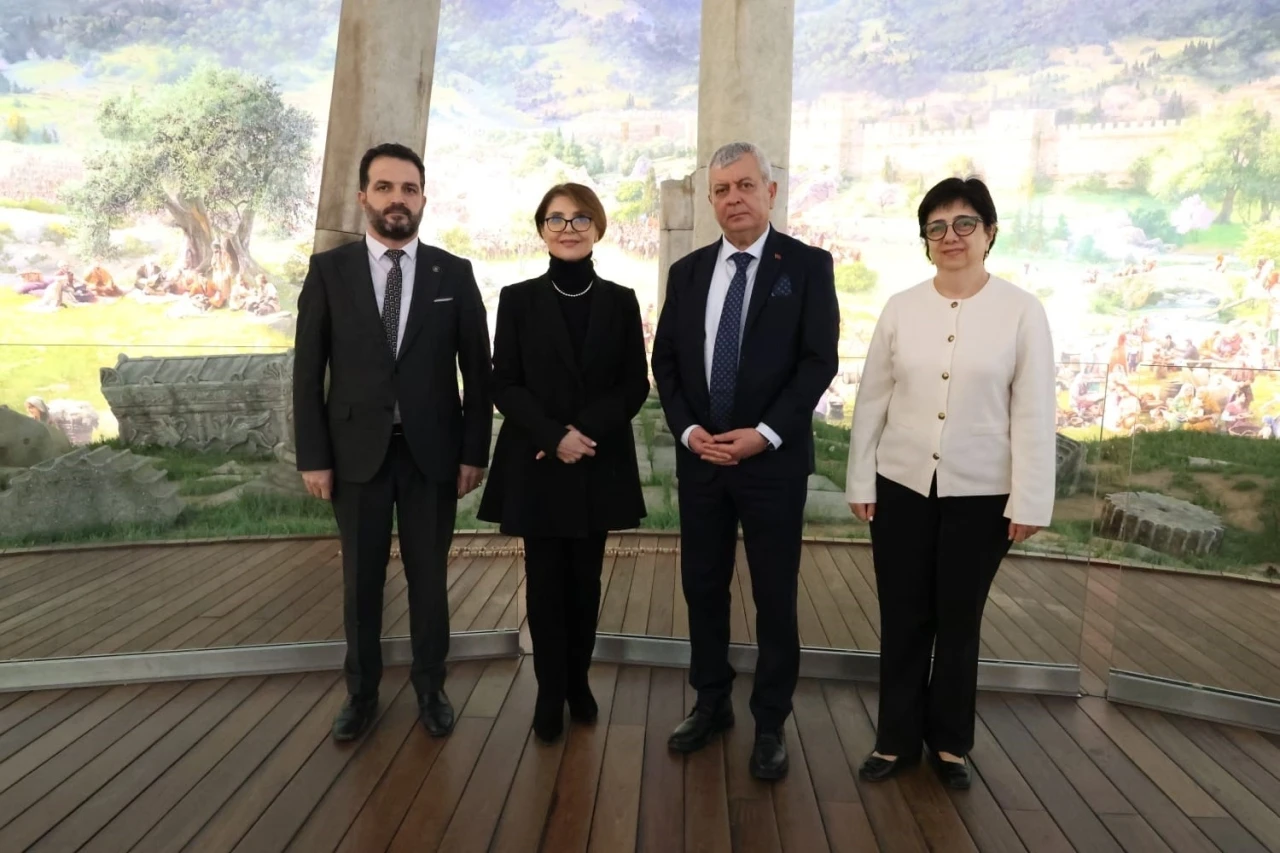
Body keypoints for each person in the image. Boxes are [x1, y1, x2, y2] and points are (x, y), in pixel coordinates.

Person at [845, 176, 1056, 789]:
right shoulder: (900, 307)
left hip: (983, 495)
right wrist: (861, 480)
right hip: (901, 486)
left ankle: (950, 744)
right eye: (936, 227)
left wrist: (1030, 498)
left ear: (990, 232)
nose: (951, 236)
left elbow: (1033, 411)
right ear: (925, 240)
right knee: (903, 616)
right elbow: (872, 400)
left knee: (959, 621)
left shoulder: (1022, 310)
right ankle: (894, 740)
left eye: (965, 223)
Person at [651, 141, 839, 781]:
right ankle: (710, 703)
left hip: (771, 465)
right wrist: (687, 430)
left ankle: (770, 722)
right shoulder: (688, 273)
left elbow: (818, 362)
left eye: (745, 185)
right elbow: (666, 363)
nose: (734, 198)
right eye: (722, 189)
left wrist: (765, 434)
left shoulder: (807, 267)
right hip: (702, 461)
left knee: (773, 594)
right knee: (702, 586)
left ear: (771, 192)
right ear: (711, 200)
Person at [293, 142, 492, 742]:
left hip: (433, 456)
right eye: (384, 187)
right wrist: (314, 457)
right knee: (361, 582)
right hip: (356, 457)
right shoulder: (329, 272)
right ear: (363, 198)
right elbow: (308, 372)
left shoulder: (453, 274)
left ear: (423, 198)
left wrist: (473, 452)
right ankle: (361, 693)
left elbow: (478, 373)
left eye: (409, 188)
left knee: (429, 580)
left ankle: (431, 688)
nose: (397, 199)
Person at [478, 183, 649, 743]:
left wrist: (582, 434)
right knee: (545, 583)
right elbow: (505, 382)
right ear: (541, 230)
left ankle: (579, 682)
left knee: (586, 581)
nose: (568, 228)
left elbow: (634, 383)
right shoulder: (517, 298)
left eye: (580, 218)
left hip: (596, 459)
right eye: (556, 219)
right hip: (539, 461)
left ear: (597, 227)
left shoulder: (621, 300)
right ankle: (549, 691)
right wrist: (554, 437)